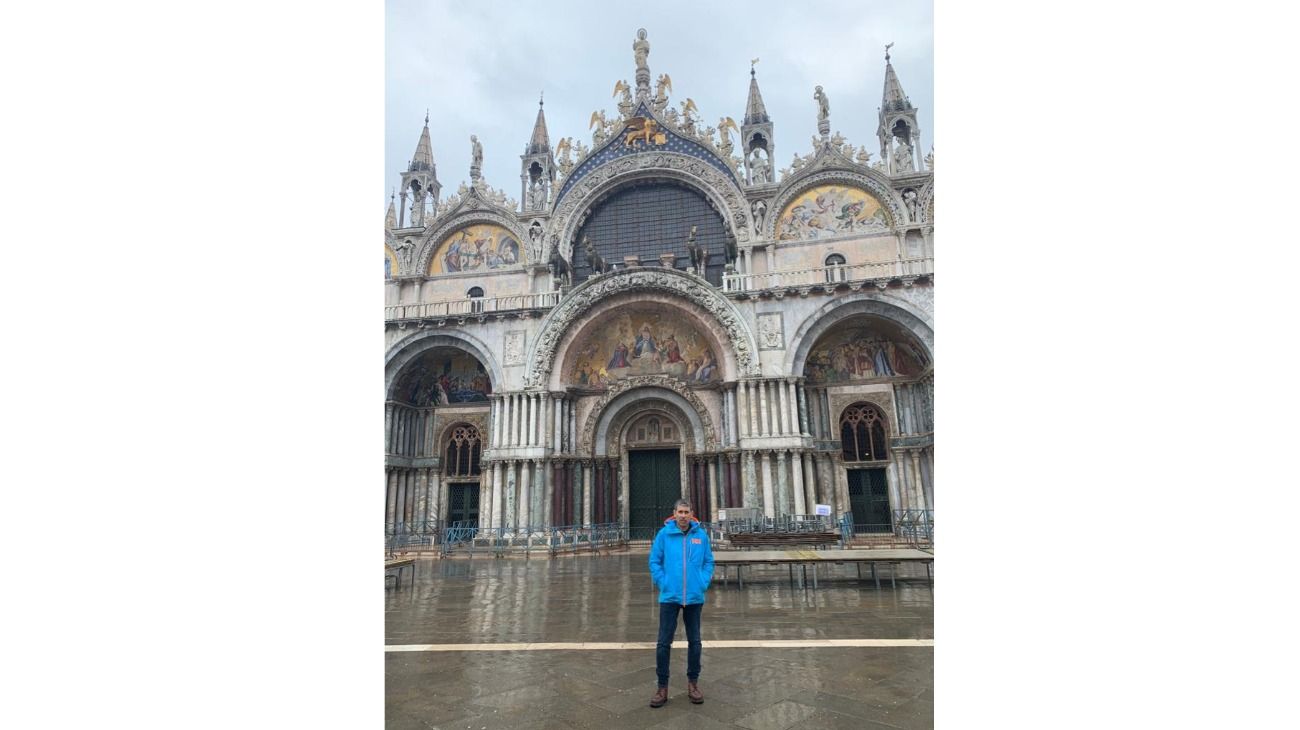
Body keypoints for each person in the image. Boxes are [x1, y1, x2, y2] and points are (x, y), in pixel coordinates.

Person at [647, 500, 715, 708]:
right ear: (674, 513)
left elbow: (708, 561)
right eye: (680, 512)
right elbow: (654, 561)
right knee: (663, 643)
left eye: (686, 512)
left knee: (695, 642)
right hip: (670, 596)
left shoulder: (701, 536)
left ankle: (693, 684)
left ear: (691, 513)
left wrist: (702, 582)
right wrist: (663, 582)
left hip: (694, 597)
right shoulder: (664, 535)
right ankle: (662, 687)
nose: (683, 515)